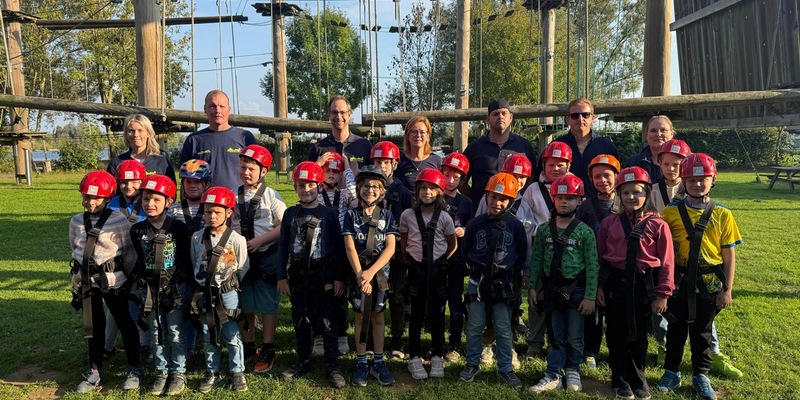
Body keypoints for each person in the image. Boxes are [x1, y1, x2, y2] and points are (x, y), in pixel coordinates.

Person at [651, 141, 743, 379]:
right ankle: (671, 372)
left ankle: (700, 375)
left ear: (713, 179)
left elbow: (728, 254)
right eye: (691, 180)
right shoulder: (670, 212)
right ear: (684, 181)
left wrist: (727, 289)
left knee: (702, 333)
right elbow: (662, 249)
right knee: (676, 330)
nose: (697, 184)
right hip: (678, 283)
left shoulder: (723, 214)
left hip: (709, 284)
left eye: (703, 179)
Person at [596, 167, 675, 400]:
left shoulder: (658, 225)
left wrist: (663, 294)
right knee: (616, 333)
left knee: (639, 335)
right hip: (615, 284)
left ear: (647, 194)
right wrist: (599, 287)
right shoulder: (609, 223)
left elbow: (667, 261)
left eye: (637, 192)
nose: (631, 197)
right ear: (619, 195)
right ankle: (620, 379)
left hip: (643, 285)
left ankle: (638, 380)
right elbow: (600, 257)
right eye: (626, 192)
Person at [277, 161, 347, 388]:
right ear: (295, 187)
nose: (306, 189)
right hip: (298, 276)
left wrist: (339, 278)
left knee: (327, 321)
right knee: (300, 318)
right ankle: (303, 359)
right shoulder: (289, 214)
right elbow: (283, 245)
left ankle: (333, 364)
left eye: (310, 185)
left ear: (319, 186)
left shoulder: (329, 214)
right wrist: (281, 276)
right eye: (301, 185)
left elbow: (339, 247)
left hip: (324, 276)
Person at [69, 171, 141, 393]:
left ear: (108, 198)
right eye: (87, 197)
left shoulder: (118, 221)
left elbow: (129, 250)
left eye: (96, 198)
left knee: (124, 322)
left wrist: (128, 278)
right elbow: (75, 248)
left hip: (113, 280)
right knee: (93, 325)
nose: (91, 202)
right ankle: (94, 370)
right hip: (87, 282)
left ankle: (134, 369)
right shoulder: (76, 221)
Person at [528, 173, 598, 394]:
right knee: (554, 333)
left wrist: (590, 296)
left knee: (575, 336)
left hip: (576, 292)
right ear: (553, 199)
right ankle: (553, 373)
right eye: (559, 197)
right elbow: (536, 260)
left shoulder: (585, 232)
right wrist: (532, 287)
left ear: (579, 201)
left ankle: (573, 369)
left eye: (569, 198)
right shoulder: (543, 230)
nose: (564, 202)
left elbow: (592, 265)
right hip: (551, 291)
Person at [458, 172, 527, 389]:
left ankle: (505, 367)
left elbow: (521, 252)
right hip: (478, 281)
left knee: (503, 327)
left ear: (511, 201)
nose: (497, 202)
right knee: (474, 325)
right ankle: (472, 362)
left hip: (503, 282)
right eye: (493, 197)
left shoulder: (515, 225)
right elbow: (466, 249)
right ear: (486, 196)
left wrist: (517, 275)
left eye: (503, 199)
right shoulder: (475, 224)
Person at [130, 175, 192, 396]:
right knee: (157, 332)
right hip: (150, 291)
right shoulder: (137, 230)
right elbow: (139, 259)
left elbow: (186, 258)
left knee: (174, 331)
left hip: (174, 290)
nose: (150, 204)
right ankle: (161, 371)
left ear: (169, 201)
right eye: (146, 199)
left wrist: (184, 288)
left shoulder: (179, 228)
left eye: (157, 199)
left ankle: (179, 372)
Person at [229, 144, 287, 373]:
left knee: (267, 303)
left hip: (266, 257)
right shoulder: (233, 195)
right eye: (243, 167)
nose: (246, 172)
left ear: (263, 171)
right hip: (240, 259)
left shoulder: (272, 196)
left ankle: (268, 347)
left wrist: (260, 241)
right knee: (245, 303)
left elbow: (284, 226)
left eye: (251, 168)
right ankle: (249, 345)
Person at [191, 186, 249, 393]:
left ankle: (237, 371)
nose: (212, 216)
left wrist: (229, 284)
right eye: (208, 212)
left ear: (229, 212)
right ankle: (211, 371)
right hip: (204, 294)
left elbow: (243, 266)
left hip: (228, 293)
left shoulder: (237, 239)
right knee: (209, 333)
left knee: (231, 333)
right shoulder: (197, 238)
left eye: (217, 212)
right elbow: (194, 262)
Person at [400, 168, 457, 380]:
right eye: (423, 188)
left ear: (440, 192)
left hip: (437, 272)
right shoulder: (407, 215)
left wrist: (440, 261)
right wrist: (410, 261)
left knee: (437, 314)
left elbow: (452, 244)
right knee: (415, 314)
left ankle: (437, 355)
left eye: (432, 188)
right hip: (416, 270)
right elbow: (404, 241)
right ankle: (414, 357)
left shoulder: (445, 218)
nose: (427, 192)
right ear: (417, 191)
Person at [344, 166, 398, 387]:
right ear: (359, 188)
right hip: (358, 274)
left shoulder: (387, 215)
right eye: (366, 185)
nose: (370, 190)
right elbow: (349, 247)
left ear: (382, 191)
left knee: (378, 316)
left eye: (375, 186)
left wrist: (370, 273)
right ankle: (361, 363)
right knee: (360, 316)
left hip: (379, 275)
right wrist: (360, 275)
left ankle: (378, 361)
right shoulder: (350, 215)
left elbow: (391, 248)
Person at [521, 141, 574, 359]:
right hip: (540, 250)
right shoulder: (533, 190)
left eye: (561, 165)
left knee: (566, 299)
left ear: (568, 165)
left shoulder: (575, 185)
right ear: (543, 165)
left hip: (569, 252)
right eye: (551, 164)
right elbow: (525, 220)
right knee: (537, 299)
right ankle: (534, 342)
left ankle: (563, 342)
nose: (555, 169)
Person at [574, 154, 621, 369]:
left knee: (615, 312)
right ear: (591, 179)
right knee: (591, 313)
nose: (602, 180)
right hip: (591, 267)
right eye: (597, 176)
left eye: (607, 175)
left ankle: (616, 349)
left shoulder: (624, 202)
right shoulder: (585, 207)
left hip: (617, 268)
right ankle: (590, 350)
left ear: (617, 176)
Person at [369, 141, 414, 360]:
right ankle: (370, 339)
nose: (381, 166)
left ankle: (397, 340)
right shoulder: (367, 188)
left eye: (386, 162)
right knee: (371, 295)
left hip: (395, 254)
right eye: (377, 161)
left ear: (394, 164)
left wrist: (404, 251)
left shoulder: (402, 192)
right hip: (371, 252)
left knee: (396, 296)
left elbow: (409, 223)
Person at [166, 159, 212, 362]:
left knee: (200, 308)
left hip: (203, 268)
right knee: (182, 306)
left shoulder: (211, 209)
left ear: (206, 184)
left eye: (197, 182)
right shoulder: (173, 210)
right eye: (188, 182)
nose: (192, 186)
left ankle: (207, 344)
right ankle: (186, 348)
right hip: (180, 269)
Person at [313, 150, 358, 357]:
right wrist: (317, 163)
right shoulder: (315, 192)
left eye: (335, 171)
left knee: (341, 295)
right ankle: (319, 334)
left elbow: (355, 195)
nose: (331, 174)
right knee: (318, 294)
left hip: (341, 250)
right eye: (327, 170)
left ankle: (341, 333)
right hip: (320, 249)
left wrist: (347, 166)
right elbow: (306, 181)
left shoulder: (345, 195)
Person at [460, 98, 537, 215]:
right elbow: (461, 180)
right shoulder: (474, 148)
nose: (500, 117)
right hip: (482, 213)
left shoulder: (524, 146)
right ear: (488, 119)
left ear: (510, 117)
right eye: (495, 114)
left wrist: (520, 199)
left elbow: (532, 177)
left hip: (516, 214)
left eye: (504, 113)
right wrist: (474, 198)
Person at [180, 90, 258, 191]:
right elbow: (185, 179)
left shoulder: (245, 137)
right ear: (205, 109)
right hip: (205, 199)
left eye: (222, 106)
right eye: (212, 106)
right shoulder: (194, 140)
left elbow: (257, 172)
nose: (217, 110)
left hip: (238, 199)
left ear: (229, 109)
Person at [440, 152, 473, 361]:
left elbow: (473, 225)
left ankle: (454, 343)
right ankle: (436, 343)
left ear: (462, 179)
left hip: (456, 260)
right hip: (435, 258)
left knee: (455, 302)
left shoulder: (466, 202)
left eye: (456, 177)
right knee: (435, 302)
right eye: (447, 175)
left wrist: (465, 230)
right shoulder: (433, 196)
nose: (451, 180)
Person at [552, 98, 618, 198]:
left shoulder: (606, 145)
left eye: (585, 115)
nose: (580, 119)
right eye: (575, 115)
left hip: (599, 203)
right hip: (565, 202)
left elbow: (616, 176)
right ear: (567, 120)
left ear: (592, 118)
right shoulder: (556, 146)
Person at [107, 114, 176, 184]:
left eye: (140, 130)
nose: (136, 135)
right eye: (131, 131)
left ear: (148, 133)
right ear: (126, 134)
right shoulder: (117, 163)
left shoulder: (161, 162)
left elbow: (171, 189)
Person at [308, 95, 373, 169]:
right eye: (335, 112)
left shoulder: (364, 145)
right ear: (329, 115)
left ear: (349, 115)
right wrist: (317, 165)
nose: (339, 117)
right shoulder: (318, 148)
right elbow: (309, 175)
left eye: (342, 112)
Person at [395, 116, 442, 191]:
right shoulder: (399, 162)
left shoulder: (437, 161)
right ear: (407, 136)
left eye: (422, 132)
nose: (418, 135)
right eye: (414, 132)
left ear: (428, 136)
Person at [624, 115, 675, 184]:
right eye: (653, 131)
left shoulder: (684, 162)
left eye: (663, 130)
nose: (658, 134)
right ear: (646, 135)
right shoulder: (633, 163)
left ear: (672, 134)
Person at [108, 159, 148, 225]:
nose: (129, 186)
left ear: (142, 182)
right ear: (118, 182)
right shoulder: (110, 204)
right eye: (124, 182)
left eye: (134, 182)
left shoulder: (149, 204)